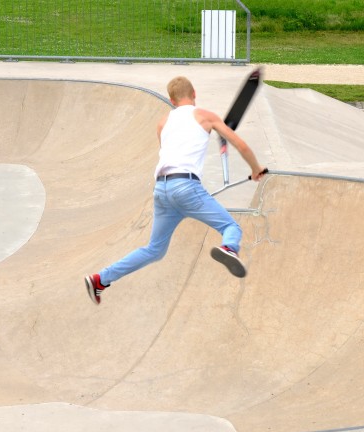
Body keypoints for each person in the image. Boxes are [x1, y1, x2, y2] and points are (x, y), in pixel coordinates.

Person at [85, 76, 267, 305]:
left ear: (171, 100)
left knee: (154, 250)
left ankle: (100, 279)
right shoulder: (204, 115)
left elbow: (171, 152)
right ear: (194, 94)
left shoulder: (163, 123)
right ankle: (229, 248)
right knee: (230, 226)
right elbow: (241, 145)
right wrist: (256, 169)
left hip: (162, 190)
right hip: (185, 187)